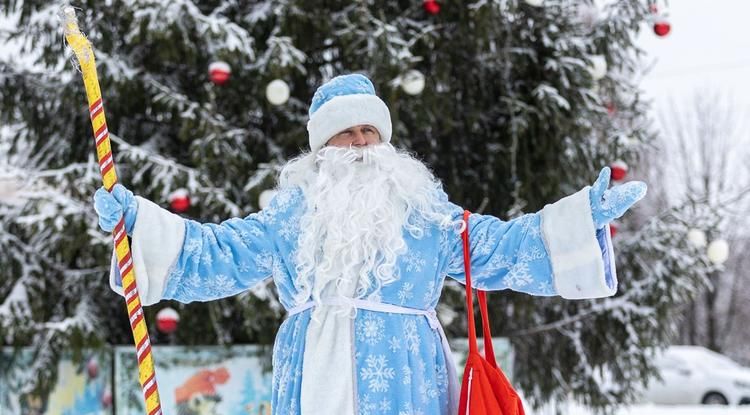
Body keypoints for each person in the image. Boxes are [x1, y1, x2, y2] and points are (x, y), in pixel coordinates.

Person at [94, 73, 647, 415]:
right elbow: (220, 254)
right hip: (314, 373)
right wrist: (139, 225)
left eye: (369, 132)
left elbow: (500, 249)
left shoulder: (425, 210)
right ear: (321, 146)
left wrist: (580, 217)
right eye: (346, 132)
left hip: (407, 374)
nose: (360, 144)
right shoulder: (293, 215)